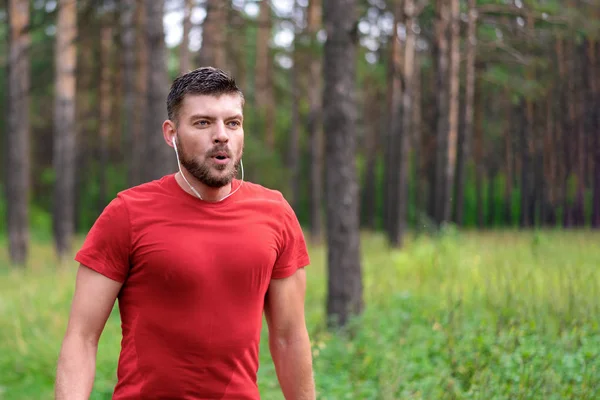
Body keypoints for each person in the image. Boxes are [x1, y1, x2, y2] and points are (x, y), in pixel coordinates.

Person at [54, 67, 315, 400]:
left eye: (232, 123)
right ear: (171, 133)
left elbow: (289, 338)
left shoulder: (275, 213)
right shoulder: (128, 213)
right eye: (203, 123)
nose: (222, 135)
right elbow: (81, 337)